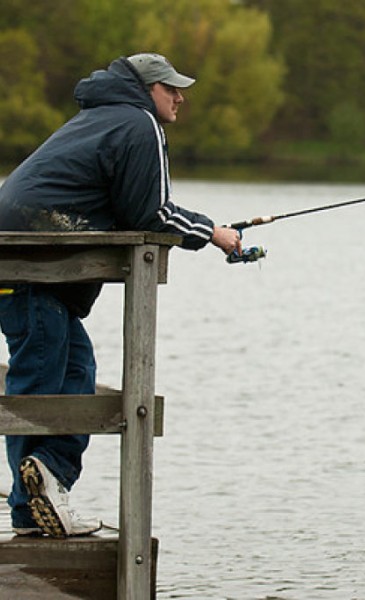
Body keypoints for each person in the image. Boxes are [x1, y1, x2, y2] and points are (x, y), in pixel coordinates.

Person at [0, 53, 241, 537]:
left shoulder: (101, 118)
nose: (179, 97)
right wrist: (214, 233)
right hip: (32, 268)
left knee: (76, 371)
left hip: (30, 266)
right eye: (170, 88)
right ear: (146, 89)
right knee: (42, 378)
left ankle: (43, 486)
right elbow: (151, 215)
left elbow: (127, 207)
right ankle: (30, 502)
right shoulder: (138, 124)